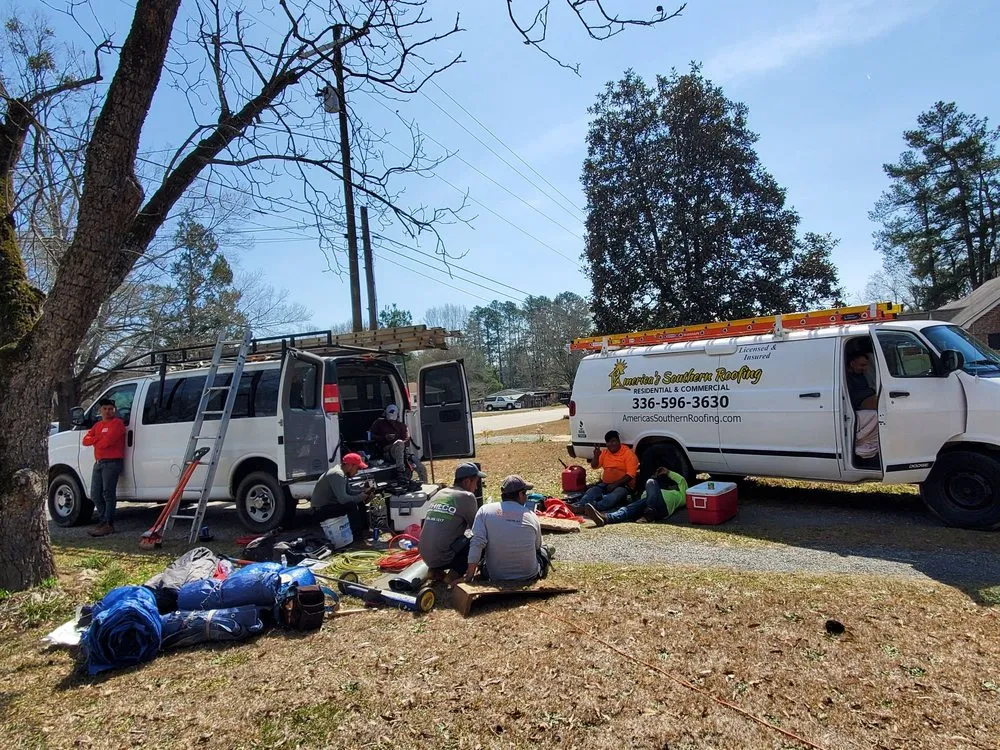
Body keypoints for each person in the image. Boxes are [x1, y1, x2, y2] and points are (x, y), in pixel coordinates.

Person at [465, 475, 551, 582]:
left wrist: (469, 576)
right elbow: (537, 546)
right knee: (544, 548)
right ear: (520, 494)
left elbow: (477, 543)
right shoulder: (531, 515)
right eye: (525, 493)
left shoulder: (485, 510)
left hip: (495, 576)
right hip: (528, 575)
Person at [418, 463, 486, 583]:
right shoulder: (467, 496)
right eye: (475, 482)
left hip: (425, 555)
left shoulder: (441, 493)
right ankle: (453, 576)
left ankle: (435, 571)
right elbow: (476, 528)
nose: (476, 487)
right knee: (480, 540)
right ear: (466, 482)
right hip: (443, 557)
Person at [584, 465, 689, 526]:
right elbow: (649, 491)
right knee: (629, 509)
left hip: (662, 509)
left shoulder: (680, 495)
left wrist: (668, 472)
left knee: (650, 482)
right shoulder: (650, 491)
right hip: (646, 506)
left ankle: (650, 515)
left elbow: (682, 481)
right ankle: (606, 518)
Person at [83, 398, 127, 537]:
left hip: (112, 462)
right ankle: (103, 521)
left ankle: (108, 524)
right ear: (100, 410)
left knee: (108, 493)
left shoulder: (118, 423)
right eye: (105, 409)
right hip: (99, 463)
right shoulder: (97, 425)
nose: (108, 411)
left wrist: (96, 440)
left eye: (111, 409)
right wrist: (98, 439)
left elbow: (107, 443)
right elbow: (85, 441)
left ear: (115, 410)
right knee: (95, 494)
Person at [570, 431, 639, 513]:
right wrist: (596, 456)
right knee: (592, 492)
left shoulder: (628, 454)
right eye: (609, 442)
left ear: (619, 442)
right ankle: (580, 506)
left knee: (613, 497)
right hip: (605, 484)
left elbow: (630, 475)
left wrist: (615, 484)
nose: (611, 444)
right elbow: (594, 466)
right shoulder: (605, 452)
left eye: (614, 441)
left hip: (623, 486)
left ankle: (593, 508)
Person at [310, 452, 372, 538]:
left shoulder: (341, 472)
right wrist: (361, 496)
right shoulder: (337, 474)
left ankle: (364, 530)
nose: (357, 471)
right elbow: (343, 499)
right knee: (351, 505)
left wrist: (363, 491)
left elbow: (349, 492)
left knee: (359, 502)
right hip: (320, 510)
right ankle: (357, 536)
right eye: (357, 468)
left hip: (328, 506)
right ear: (350, 466)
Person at [369, 404, 427, 483]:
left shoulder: (402, 426)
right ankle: (400, 471)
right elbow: (371, 436)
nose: (391, 422)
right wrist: (384, 437)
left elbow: (407, 440)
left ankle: (424, 484)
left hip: (402, 452)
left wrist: (401, 445)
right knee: (399, 443)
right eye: (390, 420)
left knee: (421, 468)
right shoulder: (379, 423)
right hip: (388, 451)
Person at [846, 352, 880, 460]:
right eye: (862, 365)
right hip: (856, 406)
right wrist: (872, 390)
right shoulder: (846, 377)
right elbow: (851, 397)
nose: (864, 368)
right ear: (852, 364)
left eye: (865, 365)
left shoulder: (861, 375)